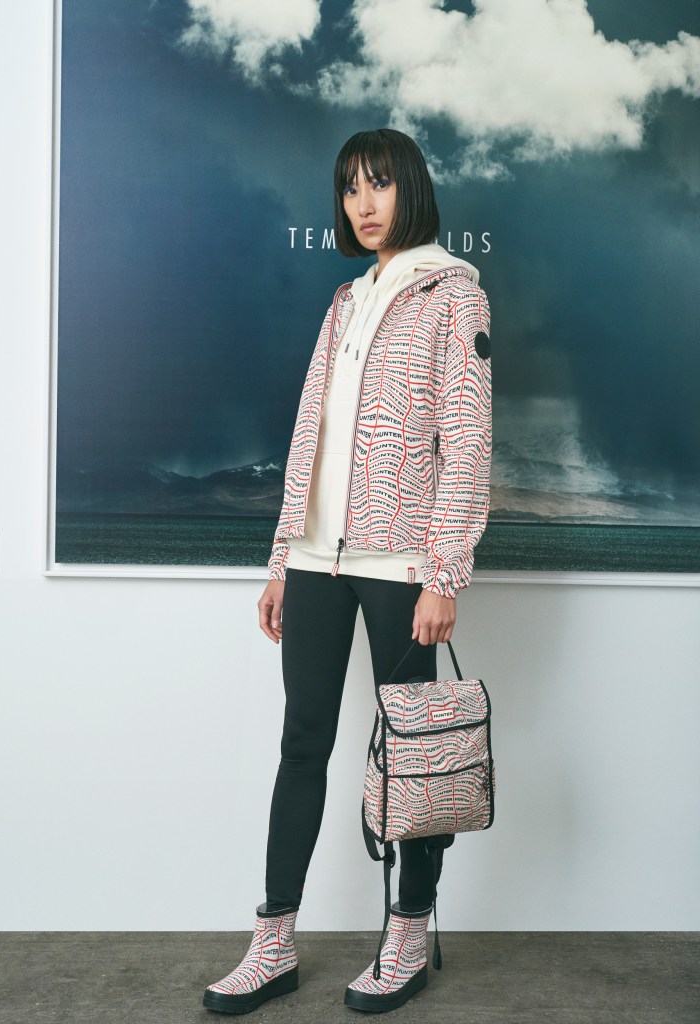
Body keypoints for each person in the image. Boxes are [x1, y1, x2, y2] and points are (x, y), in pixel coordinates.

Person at [203, 128, 492, 1015]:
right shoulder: (344, 300)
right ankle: (273, 943)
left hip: (402, 561)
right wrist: (282, 559)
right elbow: (310, 436)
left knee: (414, 750)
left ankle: (408, 932)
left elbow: (467, 439)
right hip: (316, 560)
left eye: (379, 185)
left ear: (412, 189)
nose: (363, 204)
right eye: (349, 189)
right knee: (303, 743)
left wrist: (443, 572)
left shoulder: (454, 294)